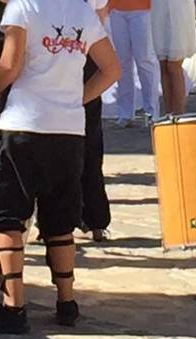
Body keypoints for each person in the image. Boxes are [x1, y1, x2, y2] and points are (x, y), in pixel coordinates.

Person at [0, 0, 121, 334]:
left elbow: (10, 65)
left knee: (7, 216)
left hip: (24, 124)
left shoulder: (23, 8)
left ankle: (14, 307)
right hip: (68, 130)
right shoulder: (82, 11)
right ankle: (67, 302)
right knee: (59, 219)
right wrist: (76, 98)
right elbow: (112, 70)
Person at [80, 0, 113, 242]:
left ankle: (94, 218)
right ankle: (52, 218)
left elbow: (100, 14)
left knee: (89, 142)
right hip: (60, 52)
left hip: (85, 52)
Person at [108, 0, 160, 127]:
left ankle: (152, 113)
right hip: (116, 10)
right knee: (122, 62)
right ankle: (125, 113)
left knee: (144, 60)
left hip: (143, 10)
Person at [151, 0, 196, 114]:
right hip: (159, 9)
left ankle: (178, 114)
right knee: (163, 64)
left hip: (179, 10)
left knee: (174, 65)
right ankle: (169, 113)